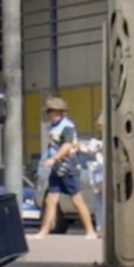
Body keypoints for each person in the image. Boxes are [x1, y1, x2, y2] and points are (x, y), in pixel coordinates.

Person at [35, 96, 98, 238]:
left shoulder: (67, 126)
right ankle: (43, 231)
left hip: (68, 168)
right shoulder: (54, 127)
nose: (54, 115)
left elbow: (68, 144)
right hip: (57, 169)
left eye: (57, 112)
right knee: (51, 200)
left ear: (61, 112)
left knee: (77, 200)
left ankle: (90, 231)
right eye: (52, 112)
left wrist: (54, 158)